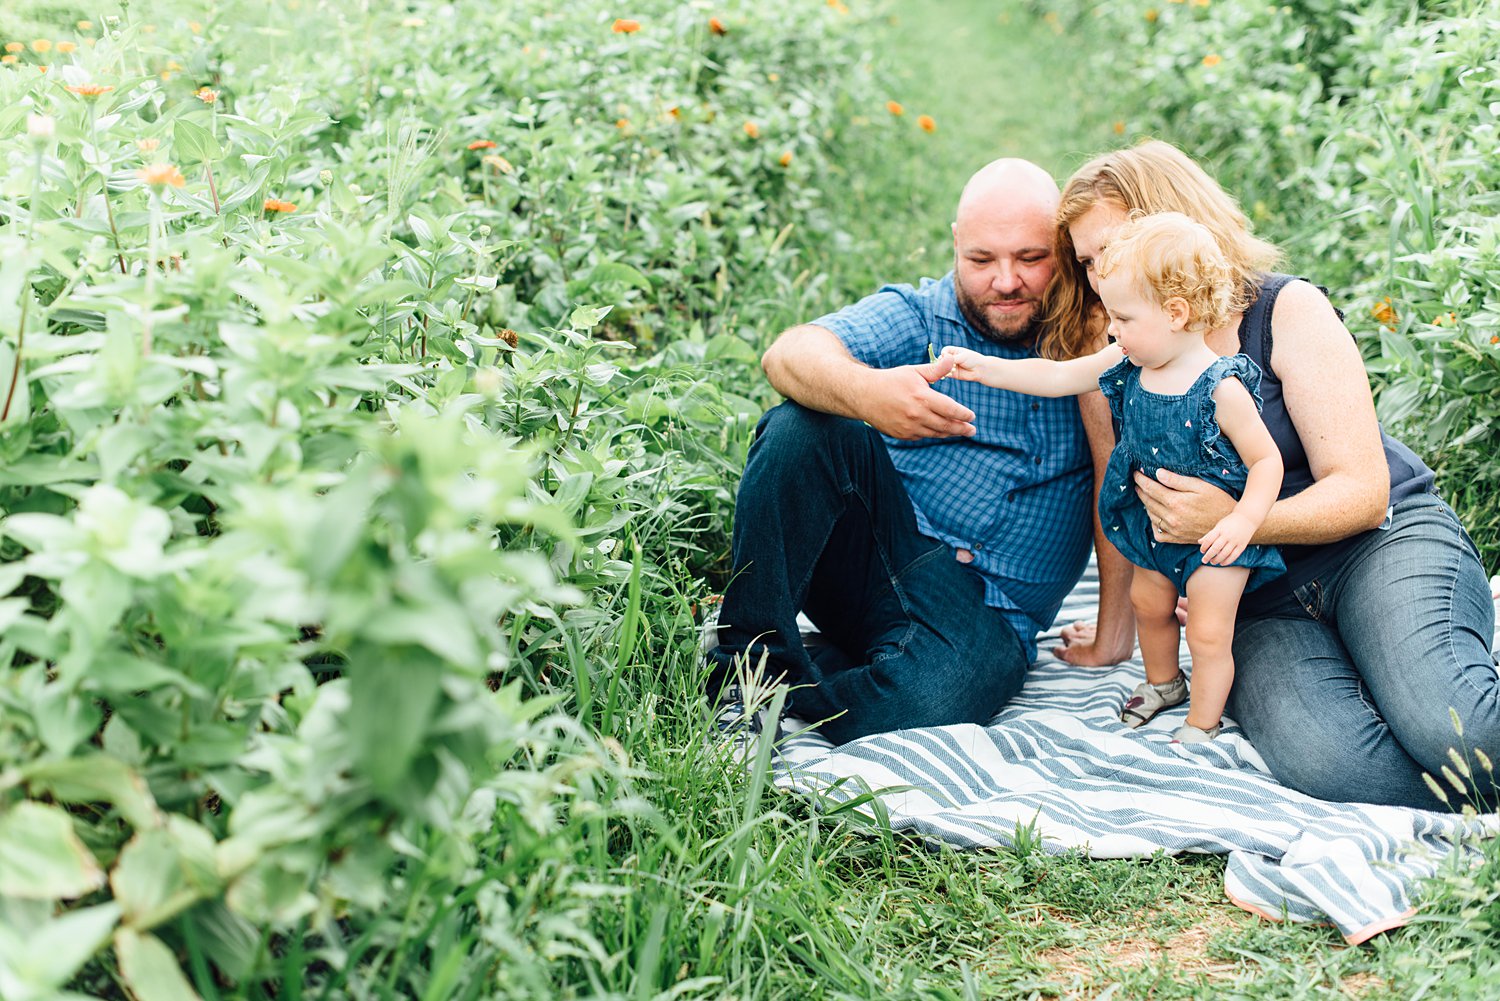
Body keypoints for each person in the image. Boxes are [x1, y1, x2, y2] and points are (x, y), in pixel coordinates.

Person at [1048, 140, 1498, 808]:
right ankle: (1463, 775)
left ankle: (1457, 741)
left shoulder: (1283, 311)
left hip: (1375, 547)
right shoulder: (1123, 352)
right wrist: (1123, 625)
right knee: (1330, 761)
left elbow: (1363, 491)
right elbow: (1118, 491)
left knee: (1452, 728)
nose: (1099, 274)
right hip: (1255, 599)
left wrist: (1232, 522)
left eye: (1112, 246)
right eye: (1087, 262)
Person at [705, 158, 1132, 746]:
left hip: (990, 618)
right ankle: (746, 666)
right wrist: (869, 393)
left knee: (932, 698)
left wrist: (1120, 627)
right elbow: (788, 354)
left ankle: (800, 679)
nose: (1006, 281)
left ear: (1063, 251)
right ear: (956, 246)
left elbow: (1124, 470)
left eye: (1031, 259)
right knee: (803, 425)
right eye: (982, 260)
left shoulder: (1098, 334)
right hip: (880, 559)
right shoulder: (920, 316)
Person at [942, 212, 1285, 742]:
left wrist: (1245, 521)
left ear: (1174, 313)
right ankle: (1164, 683)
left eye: (1123, 317)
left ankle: (1202, 723)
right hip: (1156, 527)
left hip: (1217, 540)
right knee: (1149, 606)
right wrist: (984, 366)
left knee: (1211, 634)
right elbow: (1057, 376)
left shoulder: (1221, 386)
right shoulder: (1129, 359)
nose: (1111, 328)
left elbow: (1267, 463)